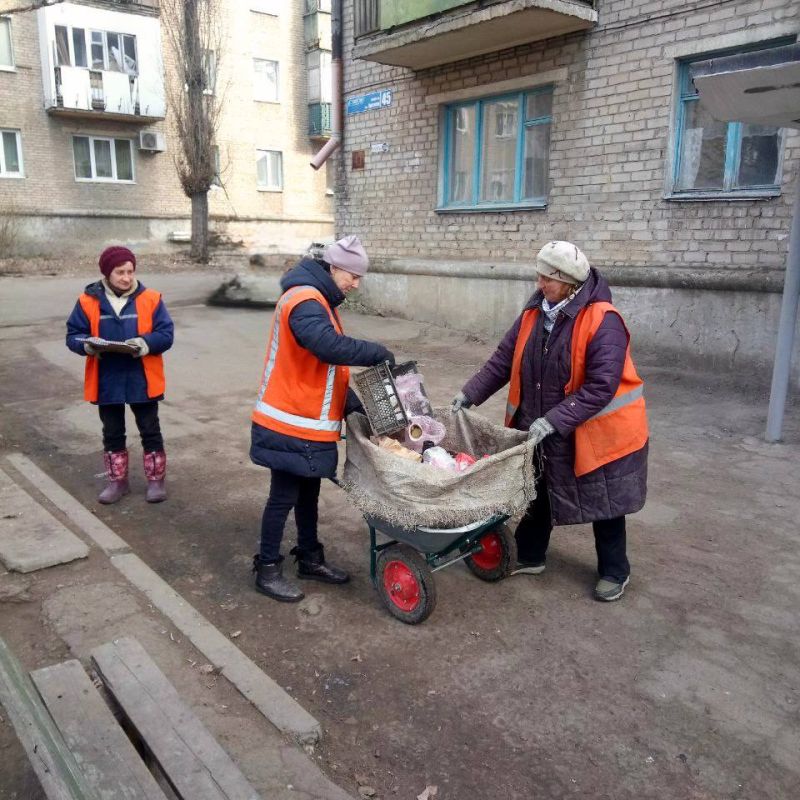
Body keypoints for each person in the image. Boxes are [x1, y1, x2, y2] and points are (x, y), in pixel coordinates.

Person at [451, 241, 648, 602]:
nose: (540, 284)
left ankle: (615, 570)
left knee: (604, 500)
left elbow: (602, 386)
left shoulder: (604, 320)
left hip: (598, 432)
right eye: (539, 276)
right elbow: (503, 359)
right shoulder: (534, 313)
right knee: (539, 487)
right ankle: (529, 554)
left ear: (570, 283)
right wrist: (470, 393)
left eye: (548, 279)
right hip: (543, 423)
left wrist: (556, 419)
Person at [250, 235, 394, 603]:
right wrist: (376, 353)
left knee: (308, 494)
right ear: (334, 268)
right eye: (353, 275)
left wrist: (353, 406)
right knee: (282, 497)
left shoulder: (320, 300)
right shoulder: (304, 299)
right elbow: (327, 347)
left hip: (306, 423)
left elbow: (325, 369)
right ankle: (266, 569)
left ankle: (310, 558)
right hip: (288, 421)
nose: (356, 284)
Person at [66, 246, 174, 504]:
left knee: (150, 429)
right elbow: (73, 335)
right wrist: (87, 344)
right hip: (107, 378)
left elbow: (166, 334)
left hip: (142, 376)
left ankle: (156, 481)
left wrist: (143, 343)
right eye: (120, 272)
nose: (126, 277)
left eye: (130, 271)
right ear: (107, 273)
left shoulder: (151, 298)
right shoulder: (86, 301)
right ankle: (118, 482)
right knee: (112, 432)